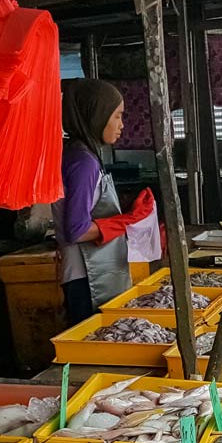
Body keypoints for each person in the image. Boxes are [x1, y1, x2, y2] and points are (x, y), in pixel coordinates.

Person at [53, 79, 132, 325]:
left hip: (90, 271)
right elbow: (75, 230)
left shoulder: (83, 154)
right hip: (86, 277)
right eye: (117, 116)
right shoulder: (83, 162)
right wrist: (124, 223)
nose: (121, 125)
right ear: (96, 114)